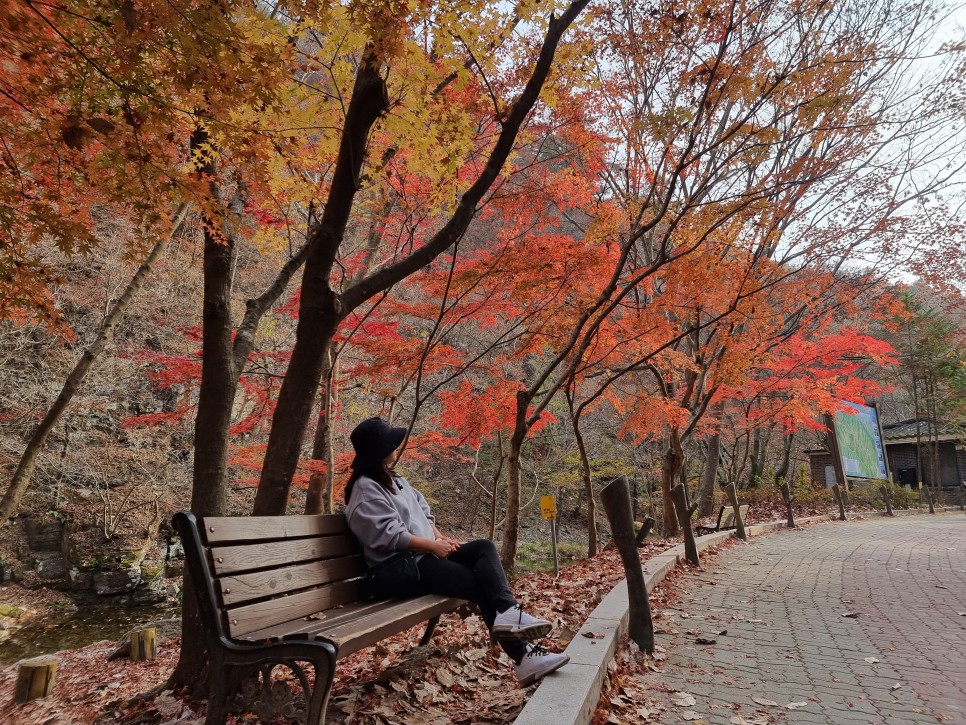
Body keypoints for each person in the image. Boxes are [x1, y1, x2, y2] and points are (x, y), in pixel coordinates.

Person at [344, 416, 570, 686]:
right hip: (401, 567)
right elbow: (388, 535)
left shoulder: (393, 478)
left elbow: (422, 510)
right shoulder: (365, 489)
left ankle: (510, 613)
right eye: (391, 442)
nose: (397, 446)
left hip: (423, 556)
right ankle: (523, 656)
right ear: (380, 450)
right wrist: (433, 545)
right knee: (479, 583)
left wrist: (440, 537)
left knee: (483, 548)